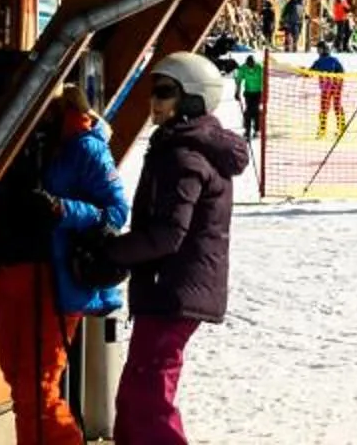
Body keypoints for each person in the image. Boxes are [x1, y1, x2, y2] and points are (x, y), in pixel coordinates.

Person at [91, 51, 245, 445]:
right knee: (134, 395)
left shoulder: (185, 156)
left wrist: (110, 252)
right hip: (168, 288)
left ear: (191, 99)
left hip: (173, 289)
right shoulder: (180, 147)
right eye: (153, 92)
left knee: (148, 397)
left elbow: (168, 234)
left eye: (164, 93)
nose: (153, 102)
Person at [0, 80, 129, 445]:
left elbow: (116, 211)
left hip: (55, 277)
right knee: (21, 384)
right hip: (12, 270)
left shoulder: (85, 145)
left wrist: (61, 209)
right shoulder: (18, 134)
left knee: (38, 386)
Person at [311, 43, 351, 137]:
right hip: (336, 86)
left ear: (323, 50)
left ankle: (323, 130)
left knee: (324, 107)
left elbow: (310, 71)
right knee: (336, 106)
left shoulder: (319, 61)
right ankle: (341, 127)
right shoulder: (333, 60)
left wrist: (302, 71)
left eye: (319, 49)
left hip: (327, 87)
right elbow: (342, 72)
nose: (317, 51)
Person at [233, 44, 267, 149]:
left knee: (255, 111)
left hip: (258, 92)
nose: (251, 67)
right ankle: (247, 130)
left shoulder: (259, 68)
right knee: (249, 111)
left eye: (252, 65)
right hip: (248, 92)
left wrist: (265, 94)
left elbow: (265, 81)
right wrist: (237, 92)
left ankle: (256, 129)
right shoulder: (243, 68)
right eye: (249, 66)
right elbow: (239, 81)